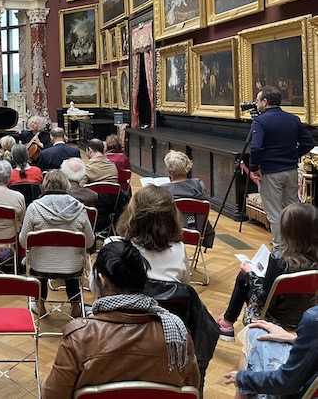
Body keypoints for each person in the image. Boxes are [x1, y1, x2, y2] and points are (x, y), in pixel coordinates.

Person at [42, 240, 200, 397]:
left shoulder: (79, 337)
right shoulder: (178, 335)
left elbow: (54, 396)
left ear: (101, 280)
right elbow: (191, 388)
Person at [216, 202, 318, 341]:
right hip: (310, 315)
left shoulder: (280, 258)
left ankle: (227, 324)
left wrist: (250, 273)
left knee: (244, 276)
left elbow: (264, 297)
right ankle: (227, 322)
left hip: (277, 317)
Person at [19, 170, 94, 316]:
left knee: (40, 262)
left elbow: (23, 242)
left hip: (40, 265)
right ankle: (75, 304)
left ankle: (40, 304)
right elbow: (89, 241)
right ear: (66, 185)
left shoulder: (34, 207)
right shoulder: (79, 208)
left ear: (45, 185)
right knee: (72, 260)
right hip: (73, 266)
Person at [249, 86, 315, 249]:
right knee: (293, 211)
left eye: (258, 101)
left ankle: (280, 249)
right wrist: (293, 155)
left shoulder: (260, 121)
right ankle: (298, 246)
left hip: (270, 173)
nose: (256, 104)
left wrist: (254, 166)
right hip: (291, 172)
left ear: (265, 102)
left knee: (275, 213)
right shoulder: (293, 119)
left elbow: (256, 148)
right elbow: (309, 143)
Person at [224, 304, 318, 399]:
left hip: (302, 391)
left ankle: (227, 321)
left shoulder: (314, 318)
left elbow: (286, 383)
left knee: (253, 337)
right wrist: (294, 338)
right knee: (256, 332)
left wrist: (243, 379)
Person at [111, 185, 189, 284]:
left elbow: (96, 288)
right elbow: (185, 288)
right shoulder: (179, 249)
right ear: (171, 218)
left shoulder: (112, 244)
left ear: (132, 215)